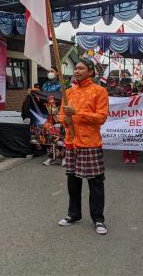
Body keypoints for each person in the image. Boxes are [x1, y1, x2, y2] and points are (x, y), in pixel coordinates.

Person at [57, 58, 109, 235]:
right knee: (72, 181)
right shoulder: (68, 92)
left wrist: (77, 113)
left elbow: (101, 117)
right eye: (76, 68)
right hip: (71, 142)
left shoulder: (99, 91)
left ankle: (98, 219)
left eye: (81, 68)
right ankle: (74, 214)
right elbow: (60, 116)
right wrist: (66, 118)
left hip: (90, 142)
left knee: (95, 183)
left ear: (91, 71)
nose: (77, 71)